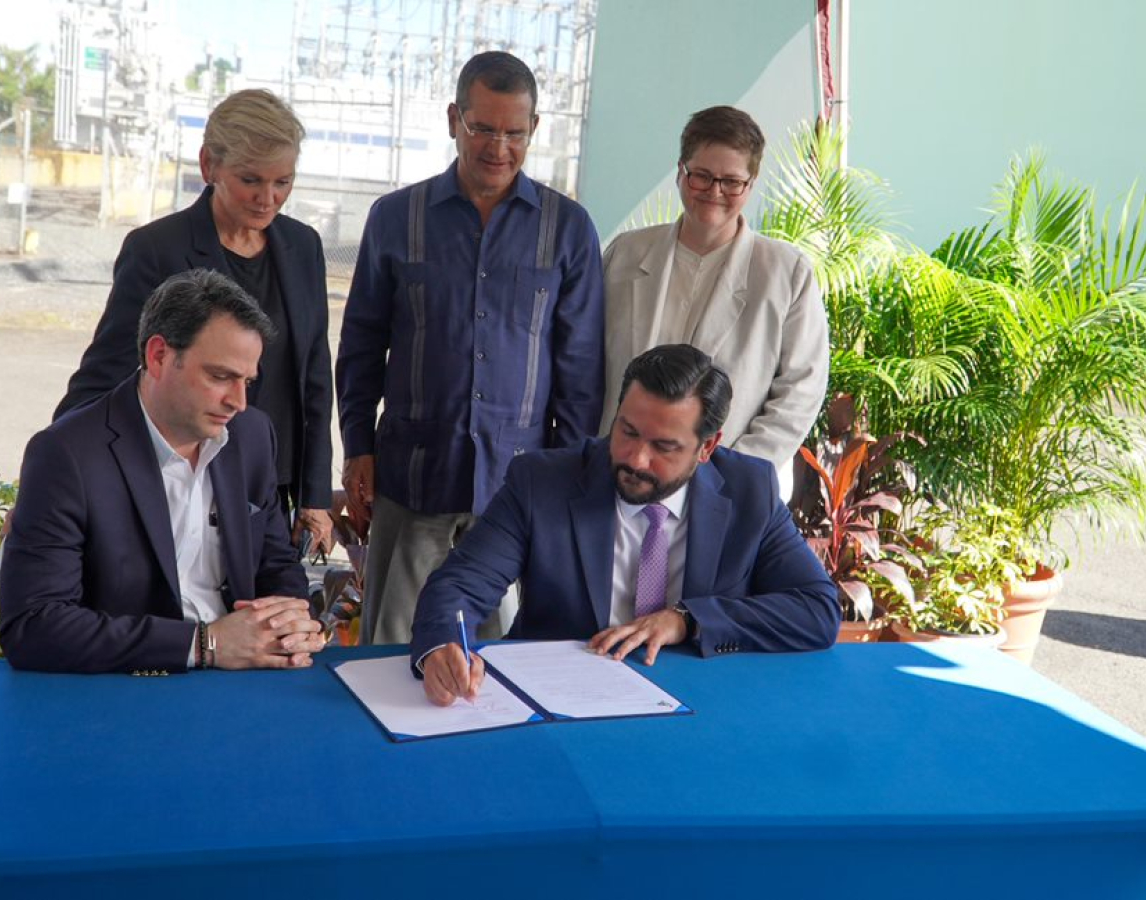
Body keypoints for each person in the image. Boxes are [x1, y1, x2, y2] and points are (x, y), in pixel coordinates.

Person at [336, 51, 605, 645]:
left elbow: (580, 370)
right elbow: (360, 345)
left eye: (514, 132)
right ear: (454, 117)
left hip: (517, 489)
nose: (498, 147)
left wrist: (569, 477)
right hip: (413, 477)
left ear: (534, 128)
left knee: (502, 659)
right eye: (483, 128)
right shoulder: (393, 218)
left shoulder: (568, 229)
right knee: (390, 648)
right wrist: (357, 446)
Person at [410, 344, 839, 707]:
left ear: (707, 447)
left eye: (664, 446)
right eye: (628, 431)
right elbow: (460, 587)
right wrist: (443, 644)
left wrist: (688, 620)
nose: (636, 459)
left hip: (700, 706)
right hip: (560, 702)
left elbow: (816, 610)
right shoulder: (541, 482)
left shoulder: (750, 491)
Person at [0, 269, 326, 674]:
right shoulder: (66, 454)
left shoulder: (252, 434)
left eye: (248, 381)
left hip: (244, 679)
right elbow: (33, 626)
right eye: (220, 376)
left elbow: (275, 563)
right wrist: (206, 645)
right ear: (158, 356)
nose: (238, 402)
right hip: (125, 690)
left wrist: (290, 621)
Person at [55, 88, 335, 555]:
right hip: (176, 482)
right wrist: (54, 471)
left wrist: (315, 496)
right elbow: (106, 372)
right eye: (251, 180)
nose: (269, 199)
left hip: (269, 491)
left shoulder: (303, 247)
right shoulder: (156, 250)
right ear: (209, 166)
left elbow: (314, 375)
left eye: (283, 182)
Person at [600, 106, 829, 502]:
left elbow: (801, 388)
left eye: (731, 181)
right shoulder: (625, 254)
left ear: (751, 184)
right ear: (680, 171)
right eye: (701, 176)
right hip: (620, 474)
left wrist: (732, 469)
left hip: (723, 487)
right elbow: (586, 362)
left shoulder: (785, 273)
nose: (714, 192)